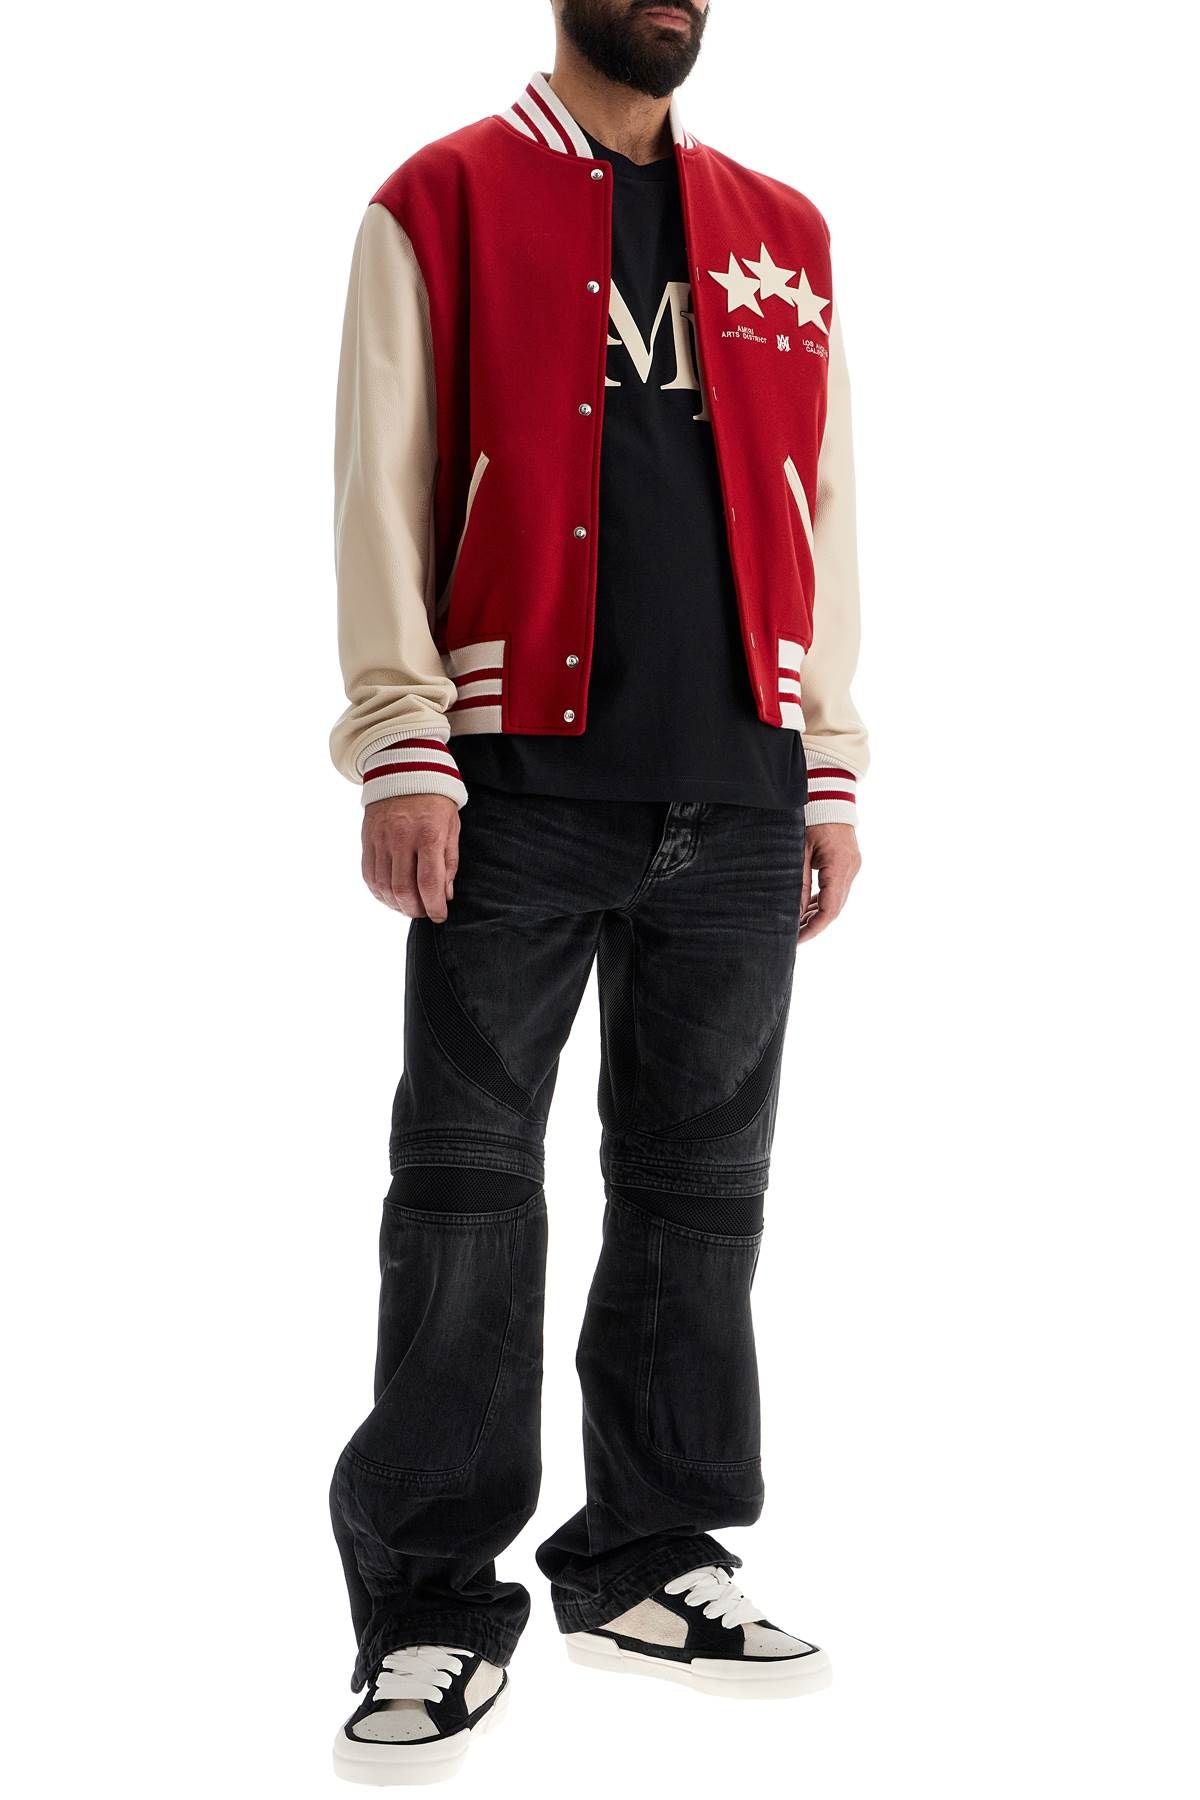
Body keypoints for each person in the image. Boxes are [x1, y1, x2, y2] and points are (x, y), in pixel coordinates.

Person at [328, 0, 868, 1780]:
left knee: (702, 1199)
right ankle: (427, 1602)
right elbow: (381, 486)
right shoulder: (442, 199)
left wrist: (827, 753)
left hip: (743, 781)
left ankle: (646, 1558)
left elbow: (823, 505)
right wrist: (402, 741)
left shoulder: (786, 232)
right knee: (467, 1196)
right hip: (516, 783)